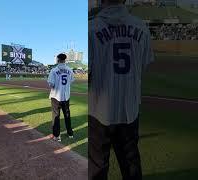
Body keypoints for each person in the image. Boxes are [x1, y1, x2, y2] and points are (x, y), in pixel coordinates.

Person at [89, 0, 154, 179]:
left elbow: (88, 76)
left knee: (97, 167)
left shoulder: (90, 29)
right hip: (129, 109)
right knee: (131, 164)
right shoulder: (141, 26)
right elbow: (144, 65)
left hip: (98, 110)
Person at [47, 53, 75, 142]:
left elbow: (51, 84)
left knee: (56, 116)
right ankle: (70, 133)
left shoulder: (54, 70)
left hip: (56, 97)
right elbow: (71, 81)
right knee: (67, 115)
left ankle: (57, 136)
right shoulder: (70, 70)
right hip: (66, 96)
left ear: (58, 60)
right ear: (65, 60)